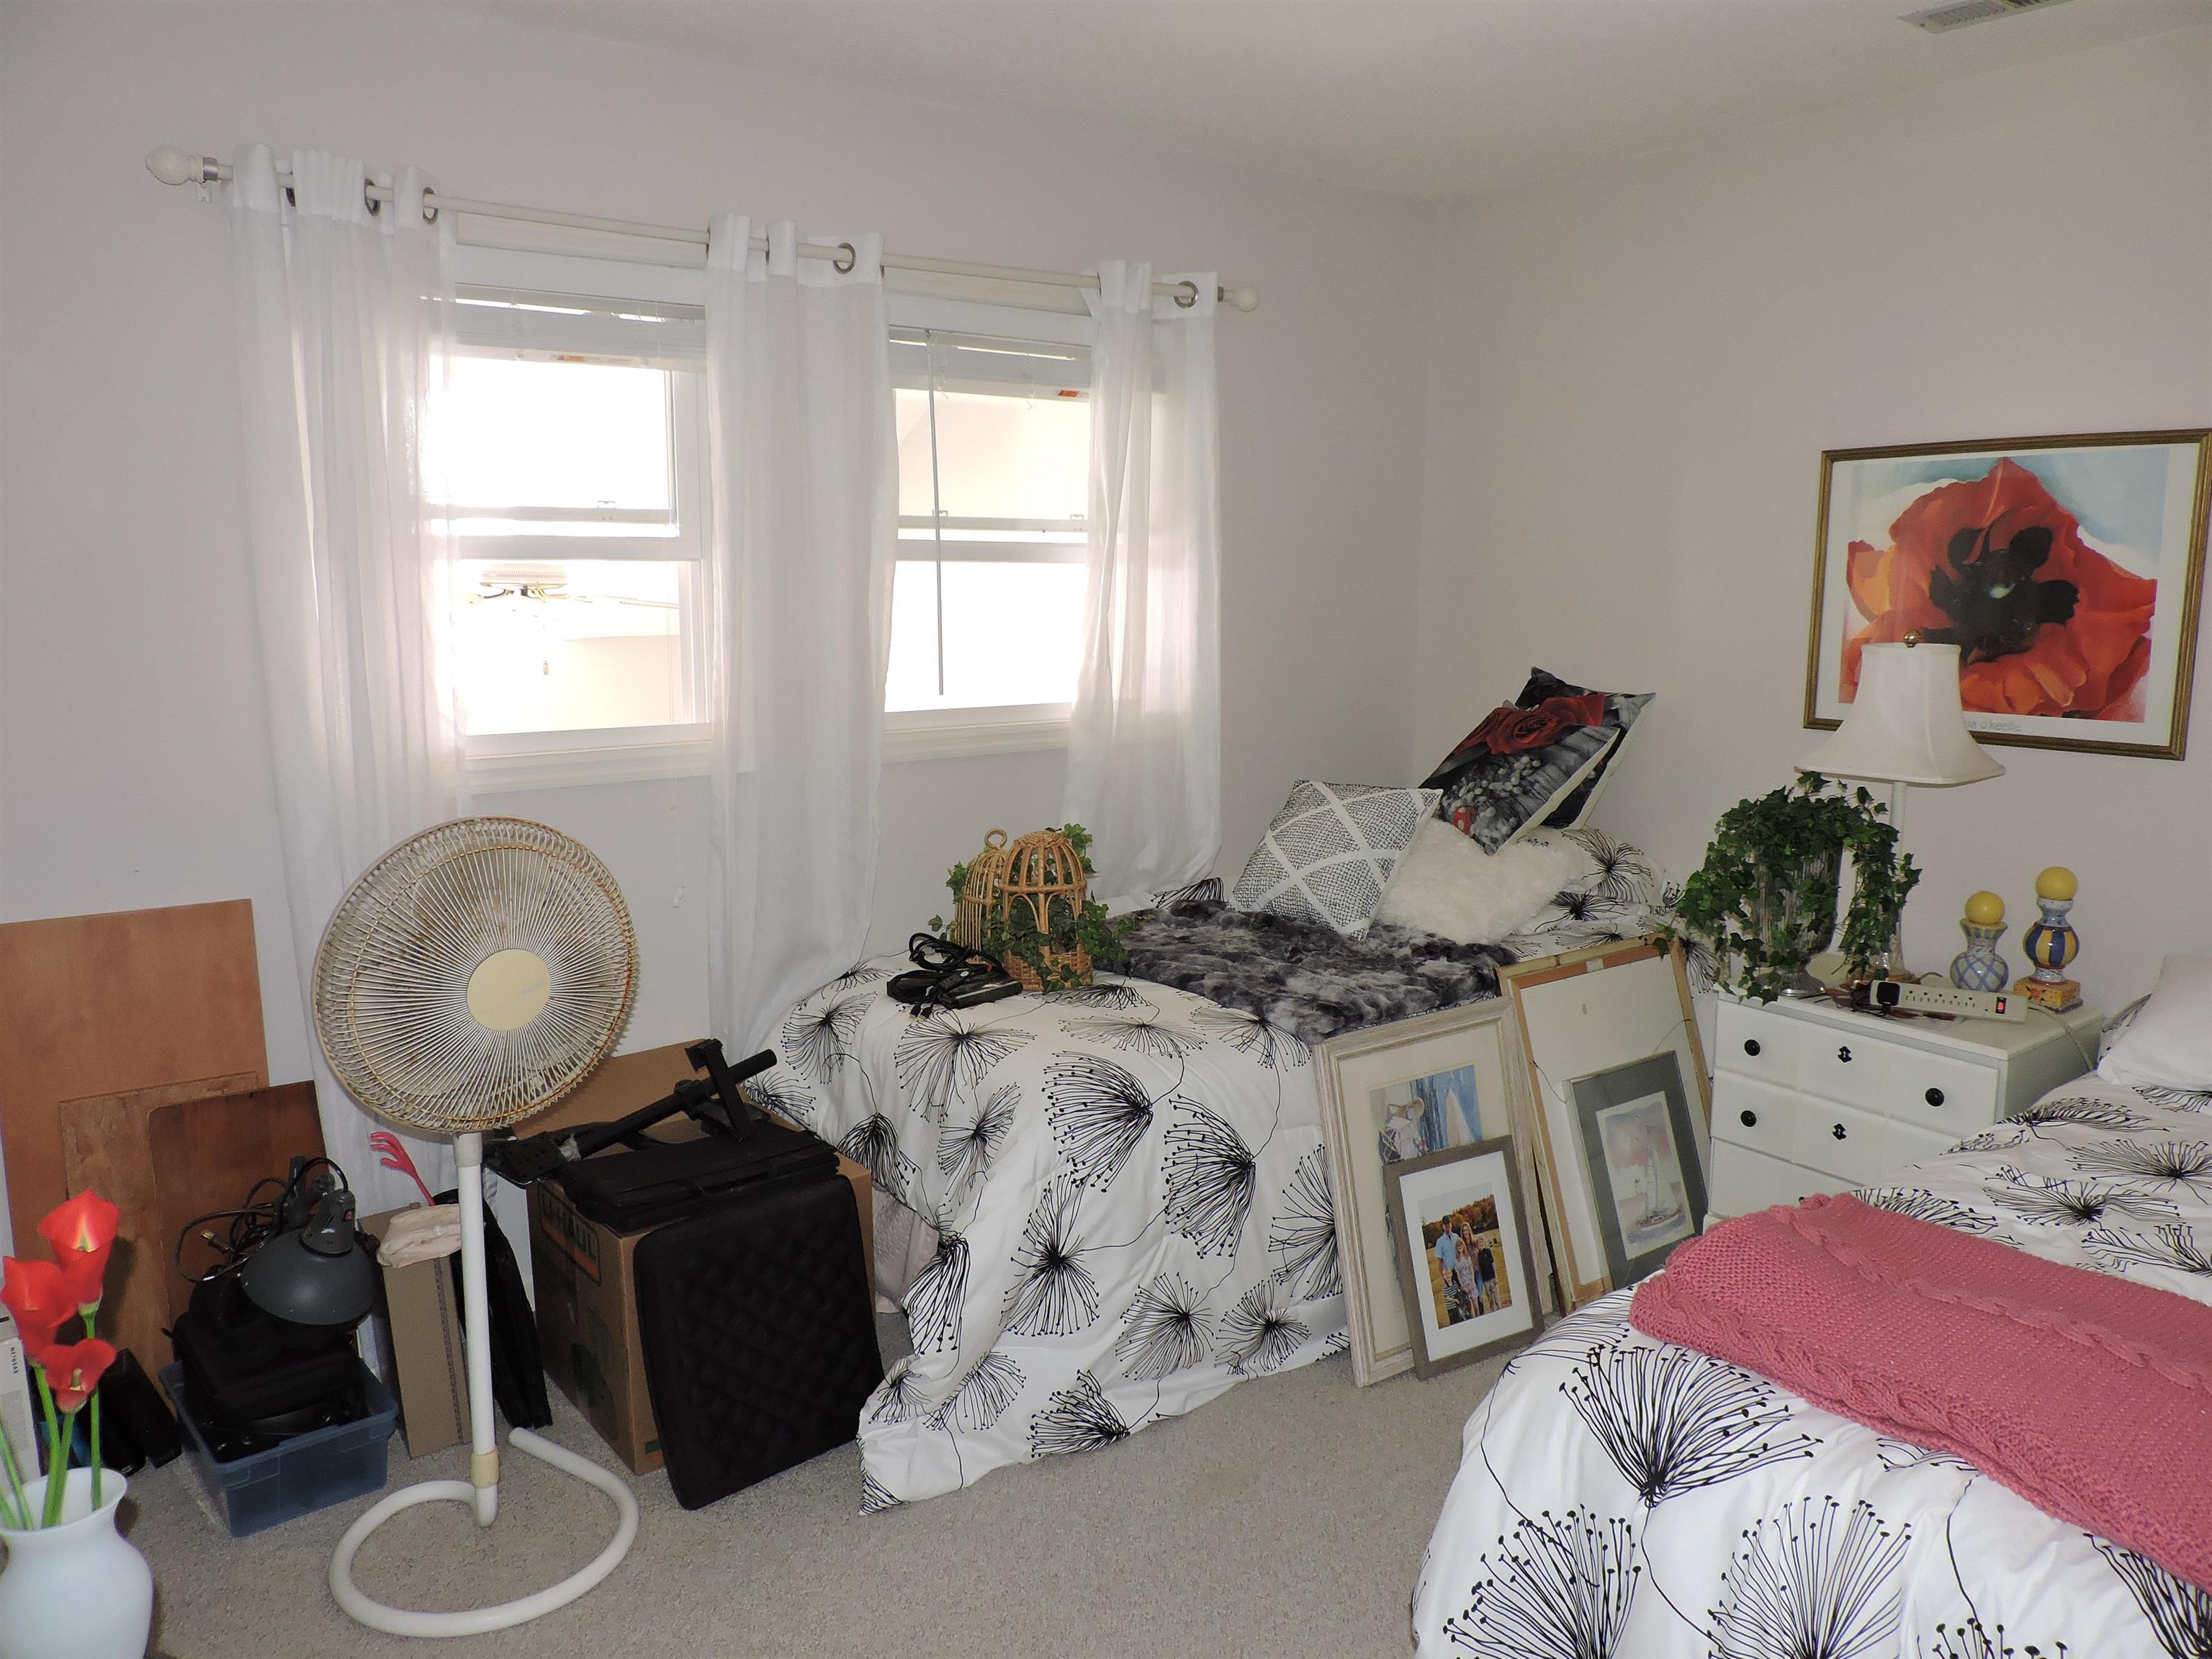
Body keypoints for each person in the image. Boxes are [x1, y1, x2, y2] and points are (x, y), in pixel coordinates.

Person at [1433, 1224, 1467, 1322]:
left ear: (1451, 1225)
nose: (1448, 1227)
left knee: (1462, 1294)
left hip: (1459, 1270)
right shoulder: (1440, 1242)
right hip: (1449, 1272)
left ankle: (1466, 1315)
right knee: (1452, 1296)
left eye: (1449, 1225)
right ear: (1443, 1226)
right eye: (1445, 1225)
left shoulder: (1456, 1237)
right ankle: (1455, 1318)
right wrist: (1443, 1276)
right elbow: (1439, 1261)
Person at [1475, 1240, 1497, 1313]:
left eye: (1482, 1242)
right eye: (1479, 1243)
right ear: (1477, 1246)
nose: (1481, 1244)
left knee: (1495, 1293)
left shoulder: (1488, 1251)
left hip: (1492, 1277)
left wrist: (1495, 1277)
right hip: (1485, 1279)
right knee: (1489, 1295)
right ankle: (1493, 1308)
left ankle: (1499, 1307)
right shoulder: (1478, 1255)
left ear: (1484, 1243)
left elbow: (1493, 1264)